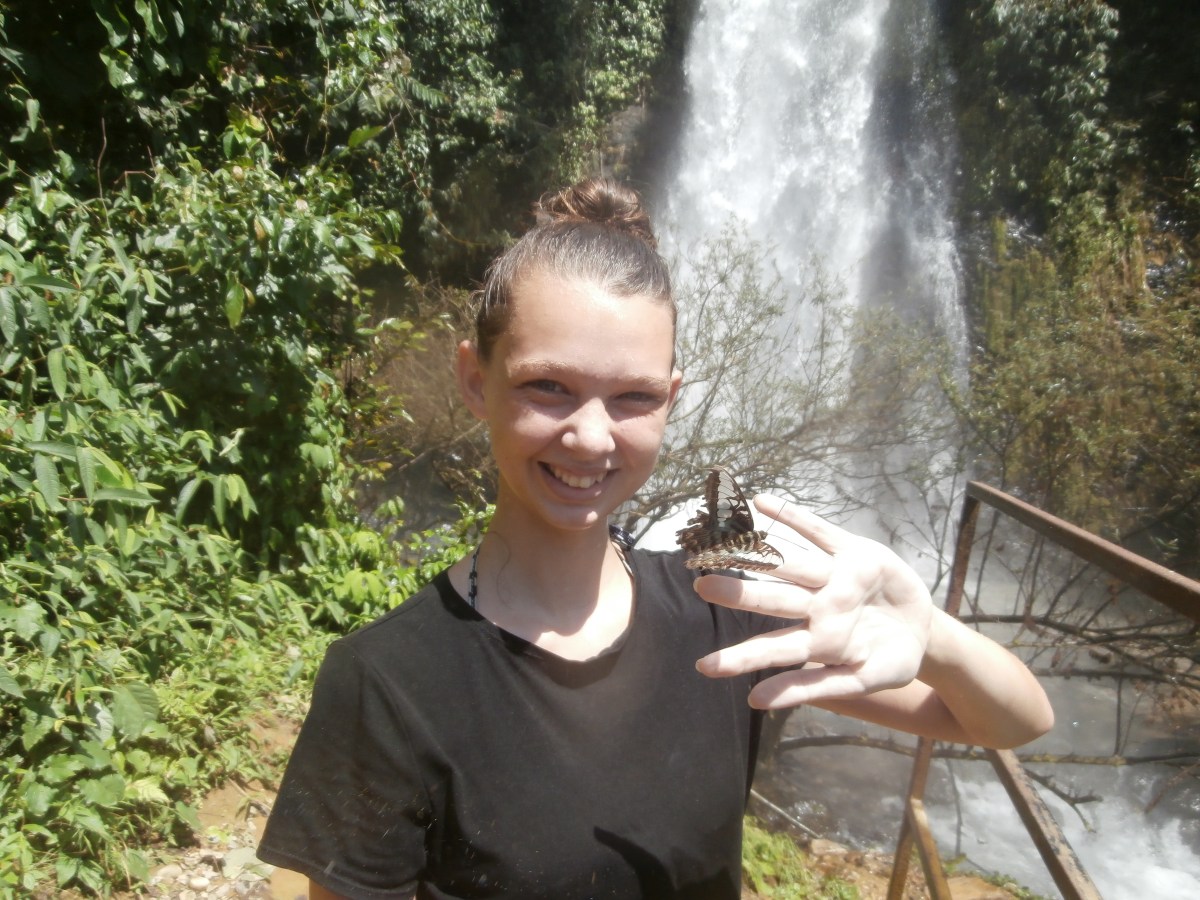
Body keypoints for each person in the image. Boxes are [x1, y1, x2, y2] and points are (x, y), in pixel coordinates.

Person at [256, 178, 1054, 900]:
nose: (591, 439)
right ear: (475, 378)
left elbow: (1013, 722)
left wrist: (933, 635)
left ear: (673, 398)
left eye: (634, 397)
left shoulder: (726, 611)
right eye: (548, 387)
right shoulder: (391, 683)